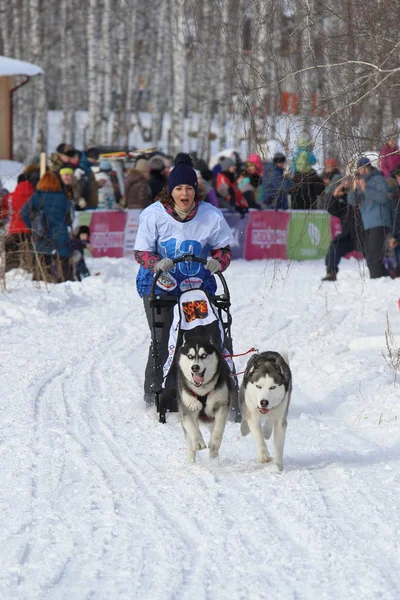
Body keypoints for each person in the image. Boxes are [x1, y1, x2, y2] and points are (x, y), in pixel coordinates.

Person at [134, 152, 234, 408]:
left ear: (195, 190)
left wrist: (217, 262)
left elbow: (223, 250)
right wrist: (155, 263)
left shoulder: (210, 215)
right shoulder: (153, 215)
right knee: (164, 336)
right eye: (178, 188)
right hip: (159, 286)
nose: (184, 193)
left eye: (189, 187)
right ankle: (156, 392)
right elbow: (141, 252)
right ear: (171, 191)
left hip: (196, 288)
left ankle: (210, 389)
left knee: (202, 337)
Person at [21, 171, 72, 283]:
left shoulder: (37, 197)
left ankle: (42, 286)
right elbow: (69, 215)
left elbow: (24, 213)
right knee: (63, 264)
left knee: (42, 265)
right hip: (60, 233)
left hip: (42, 234)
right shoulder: (62, 198)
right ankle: (64, 284)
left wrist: (32, 227)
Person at [347, 157, 392, 279]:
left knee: (373, 255)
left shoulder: (378, 179)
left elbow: (383, 198)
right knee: (369, 254)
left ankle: (377, 280)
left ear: (367, 168)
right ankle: (383, 278)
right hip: (367, 223)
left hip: (379, 221)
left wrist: (365, 188)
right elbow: (352, 201)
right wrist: (354, 188)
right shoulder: (361, 181)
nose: (361, 172)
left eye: (362, 169)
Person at [321, 172, 365, 281]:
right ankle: (331, 272)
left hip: (365, 233)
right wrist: (335, 194)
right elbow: (331, 209)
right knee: (335, 246)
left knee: (374, 252)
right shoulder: (344, 200)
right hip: (348, 235)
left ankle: (381, 274)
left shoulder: (363, 194)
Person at [2, 174, 34, 271]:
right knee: (30, 258)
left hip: (13, 230)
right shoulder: (35, 196)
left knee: (11, 257)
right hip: (31, 231)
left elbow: (4, 214)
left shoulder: (10, 197)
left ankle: (11, 273)